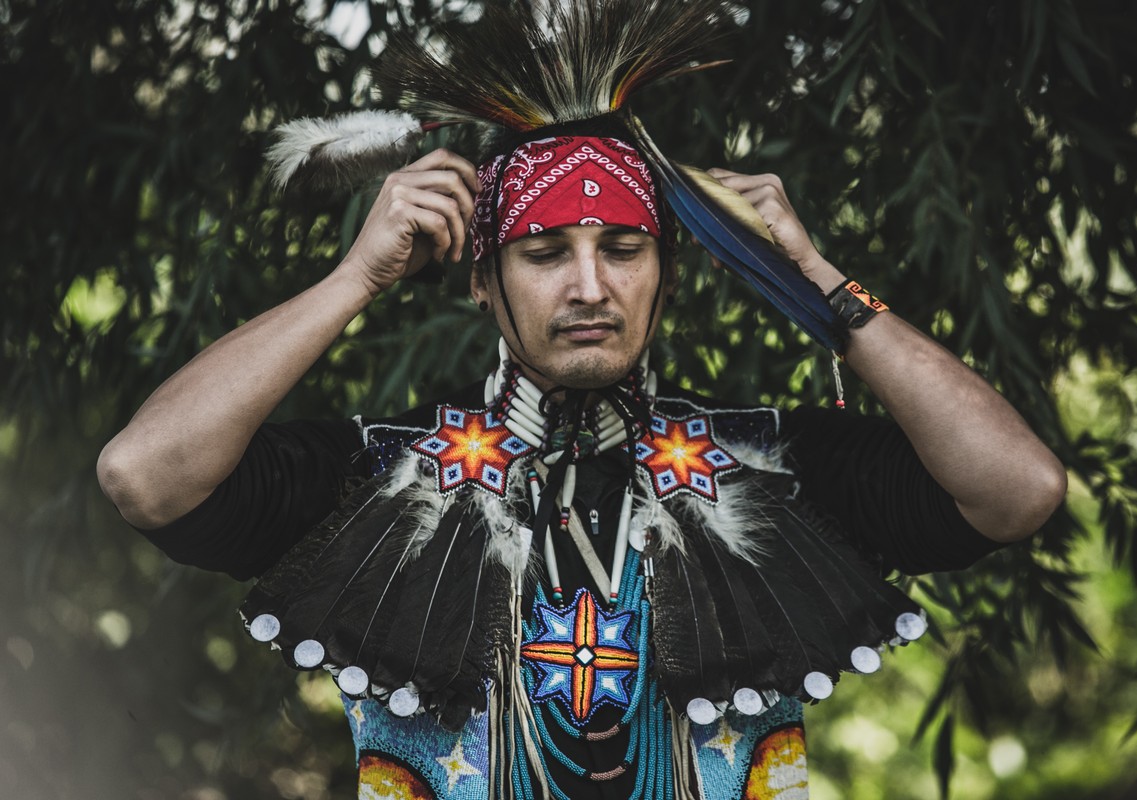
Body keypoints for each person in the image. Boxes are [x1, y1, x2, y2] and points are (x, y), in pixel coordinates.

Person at [97, 2, 1066, 798]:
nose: (591, 285)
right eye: (546, 252)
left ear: (666, 274)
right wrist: (355, 278)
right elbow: (146, 473)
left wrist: (816, 279)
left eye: (625, 249)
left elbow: (1018, 488)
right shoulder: (381, 473)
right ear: (484, 281)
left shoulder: (770, 470)